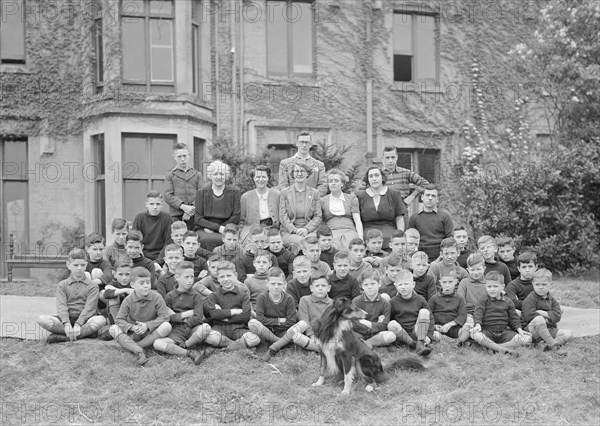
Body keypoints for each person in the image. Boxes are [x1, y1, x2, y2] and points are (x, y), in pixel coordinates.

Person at [37, 248, 107, 344]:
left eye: (83, 265)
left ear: (86, 265)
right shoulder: (63, 285)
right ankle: (83, 334)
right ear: (68, 265)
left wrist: (79, 323)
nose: (79, 268)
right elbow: (61, 306)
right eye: (75, 265)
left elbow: (89, 308)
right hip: (66, 319)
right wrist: (66, 323)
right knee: (42, 319)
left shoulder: (92, 285)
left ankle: (63, 337)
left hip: (85, 320)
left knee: (101, 320)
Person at [109, 267, 172, 366]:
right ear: (133, 285)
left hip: (151, 333)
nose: (146, 286)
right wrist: (132, 327)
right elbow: (119, 320)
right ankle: (139, 351)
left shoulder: (157, 297)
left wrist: (147, 325)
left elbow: (165, 317)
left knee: (167, 326)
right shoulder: (128, 300)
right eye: (141, 283)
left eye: (148, 282)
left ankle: (135, 347)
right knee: (113, 328)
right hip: (134, 333)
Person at [153, 262, 212, 365]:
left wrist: (178, 318)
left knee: (206, 328)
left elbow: (198, 318)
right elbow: (167, 317)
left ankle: (185, 345)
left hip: (193, 329)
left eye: (192, 277)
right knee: (157, 343)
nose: (190, 280)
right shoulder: (169, 296)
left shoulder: (196, 296)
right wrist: (184, 316)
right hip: (176, 331)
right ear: (177, 277)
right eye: (186, 277)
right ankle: (189, 352)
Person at [266, 276, 332, 355]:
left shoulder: (333, 304)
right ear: (311, 288)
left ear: (328, 288)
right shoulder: (305, 300)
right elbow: (305, 320)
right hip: (309, 335)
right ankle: (321, 349)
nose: (320, 288)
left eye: (323, 286)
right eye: (317, 286)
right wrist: (312, 336)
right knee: (297, 337)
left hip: (326, 337)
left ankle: (317, 349)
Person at [470, 271, 532, 356]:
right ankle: (503, 350)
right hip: (487, 332)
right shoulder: (483, 300)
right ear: (485, 286)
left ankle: (496, 348)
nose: (492, 289)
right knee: (474, 334)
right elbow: (478, 313)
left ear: (502, 287)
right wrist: (477, 325)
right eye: (489, 286)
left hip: (504, 332)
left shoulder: (508, 301)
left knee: (526, 338)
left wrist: (519, 329)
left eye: (495, 286)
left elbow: (514, 317)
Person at [204, 261, 260, 350]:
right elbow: (214, 314)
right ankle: (236, 345)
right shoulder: (213, 296)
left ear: (235, 275)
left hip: (239, 327)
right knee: (210, 338)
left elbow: (245, 316)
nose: (226, 279)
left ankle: (227, 347)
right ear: (218, 278)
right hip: (219, 327)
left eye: (229, 275)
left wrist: (224, 317)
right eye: (222, 276)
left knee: (254, 339)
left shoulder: (243, 294)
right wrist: (234, 311)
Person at [247, 267, 298, 362]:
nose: (276, 286)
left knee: (300, 325)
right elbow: (260, 319)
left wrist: (271, 322)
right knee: (253, 323)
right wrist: (279, 321)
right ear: (267, 284)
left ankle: (275, 345)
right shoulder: (262, 297)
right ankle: (282, 342)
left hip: (284, 331)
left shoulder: (289, 298)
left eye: (279, 284)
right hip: (267, 331)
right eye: (273, 283)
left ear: (284, 284)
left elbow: (291, 321)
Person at [521, 269, 572, 353]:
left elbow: (557, 315)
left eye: (544, 284)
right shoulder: (530, 299)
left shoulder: (552, 299)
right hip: (532, 330)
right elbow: (528, 315)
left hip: (548, 329)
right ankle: (553, 345)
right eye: (537, 284)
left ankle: (546, 345)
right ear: (533, 284)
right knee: (539, 319)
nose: (540, 287)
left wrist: (543, 313)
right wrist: (544, 318)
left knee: (568, 333)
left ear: (550, 284)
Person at [194, 160, 241, 251]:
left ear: (226, 176)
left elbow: (236, 216)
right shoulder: (201, 193)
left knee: (229, 240)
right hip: (205, 229)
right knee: (205, 240)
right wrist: (217, 228)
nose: (219, 177)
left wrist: (222, 229)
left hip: (228, 228)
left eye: (222, 174)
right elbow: (198, 218)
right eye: (215, 174)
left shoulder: (235, 192)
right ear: (210, 176)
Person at [357, 166, 406, 249]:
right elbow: (357, 219)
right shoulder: (360, 196)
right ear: (367, 179)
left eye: (376, 175)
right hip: (367, 231)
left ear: (382, 177)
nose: (374, 178)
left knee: (390, 239)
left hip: (389, 228)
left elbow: (399, 217)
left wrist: (400, 236)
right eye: (371, 176)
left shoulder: (394, 194)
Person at [387, 270, 433, 356]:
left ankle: (420, 342)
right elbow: (389, 319)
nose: (403, 287)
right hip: (401, 333)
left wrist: (429, 336)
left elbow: (431, 318)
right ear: (396, 286)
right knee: (391, 324)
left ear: (413, 284)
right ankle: (413, 344)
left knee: (424, 312)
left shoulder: (420, 299)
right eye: (400, 285)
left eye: (406, 284)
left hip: (416, 331)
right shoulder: (393, 301)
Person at [279, 163, 323, 247]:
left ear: (307, 174)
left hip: (310, 231)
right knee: (302, 242)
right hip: (290, 232)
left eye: (302, 171)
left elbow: (318, 216)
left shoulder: (315, 193)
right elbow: (282, 216)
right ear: (293, 174)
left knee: (312, 241)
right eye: (296, 171)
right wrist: (294, 230)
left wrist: (307, 229)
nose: (299, 174)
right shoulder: (285, 192)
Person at [320, 168, 363, 249]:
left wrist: (360, 237)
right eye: (331, 181)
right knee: (333, 247)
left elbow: (357, 220)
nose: (333, 183)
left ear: (342, 184)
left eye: (336, 181)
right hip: (331, 232)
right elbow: (319, 220)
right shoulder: (323, 201)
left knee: (352, 247)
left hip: (349, 230)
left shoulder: (351, 198)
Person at [352, 270, 396, 347]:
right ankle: (365, 343)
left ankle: (365, 344)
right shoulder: (356, 301)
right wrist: (372, 327)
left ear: (379, 283)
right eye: (366, 284)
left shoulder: (385, 303)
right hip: (360, 333)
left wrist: (363, 321)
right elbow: (353, 323)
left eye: (372, 284)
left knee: (391, 336)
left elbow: (384, 326)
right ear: (362, 286)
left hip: (376, 334)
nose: (369, 287)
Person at [239, 165, 281, 245]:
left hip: (272, 229)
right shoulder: (245, 197)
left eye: (263, 177)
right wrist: (241, 234)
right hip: (251, 230)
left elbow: (282, 217)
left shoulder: (277, 195)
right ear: (254, 178)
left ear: (268, 178)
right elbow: (242, 220)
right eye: (258, 177)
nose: (260, 180)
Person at [163, 143, 203, 229]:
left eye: (184, 156)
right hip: (176, 216)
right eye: (179, 156)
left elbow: (202, 195)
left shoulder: (197, 174)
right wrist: (184, 207)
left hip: (195, 215)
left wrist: (190, 210)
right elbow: (167, 196)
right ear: (174, 157)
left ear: (189, 155)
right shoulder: (170, 175)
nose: (183, 159)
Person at [278, 131, 327, 197]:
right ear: (297, 143)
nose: (304, 145)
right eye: (301, 142)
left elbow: (322, 185)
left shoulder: (319, 165)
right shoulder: (285, 163)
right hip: (292, 202)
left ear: (310, 144)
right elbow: (283, 185)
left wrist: (311, 198)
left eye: (306, 142)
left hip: (312, 202)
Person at [381, 146, 430, 210]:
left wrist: (411, 197)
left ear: (397, 157)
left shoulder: (406, 173)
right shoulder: (378, 175)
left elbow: (425, 184)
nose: (390, 160)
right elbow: (365, 190)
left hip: (402, 211)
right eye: (387, 158)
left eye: (393, 157)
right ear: (383, 159)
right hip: (383, 212)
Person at [456, 253, 488, 346]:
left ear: (484, 269)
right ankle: (460, 341)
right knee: (468, 322)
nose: (475, 272)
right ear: (467, 270)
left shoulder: (488, 283)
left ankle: (480, 339)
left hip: (484, 312)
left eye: (478, 269)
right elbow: (460, 301)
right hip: (468, 313)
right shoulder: (464, 283)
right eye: (472, 270)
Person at [132, 190, 173, 261]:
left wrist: (158, 261)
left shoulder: (167, 218)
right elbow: (135, 241)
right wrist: (144, 261)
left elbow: (168, 243)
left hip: (162, 257)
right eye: (151, 204)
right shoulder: (139, 218)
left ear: (162, 205)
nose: (155, 207)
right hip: (142, 256)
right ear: (146, 204)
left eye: (158, 204)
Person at [428, 271, 467, 342]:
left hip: (454, 328)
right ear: (440, 282)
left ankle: (452, 340)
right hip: (438, 328)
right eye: (444, 282)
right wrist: (434, 326)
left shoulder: (460, 298)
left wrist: (451, 324)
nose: (447, 285)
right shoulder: (434, 298)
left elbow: (462, 315)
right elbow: (429, 314)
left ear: (456, 282)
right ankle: (451, 341)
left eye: (450, 282)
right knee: (433, 334)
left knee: (467, 330)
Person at [244, 249, 272, 315]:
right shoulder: (248, 281)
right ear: (254, 263)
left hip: (272, 311)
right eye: (258, 262)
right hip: (254, 312)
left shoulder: (274, 280)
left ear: (270, 264)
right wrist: (254, 315)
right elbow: (246, 302)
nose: (261, 265)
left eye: (264, 262)